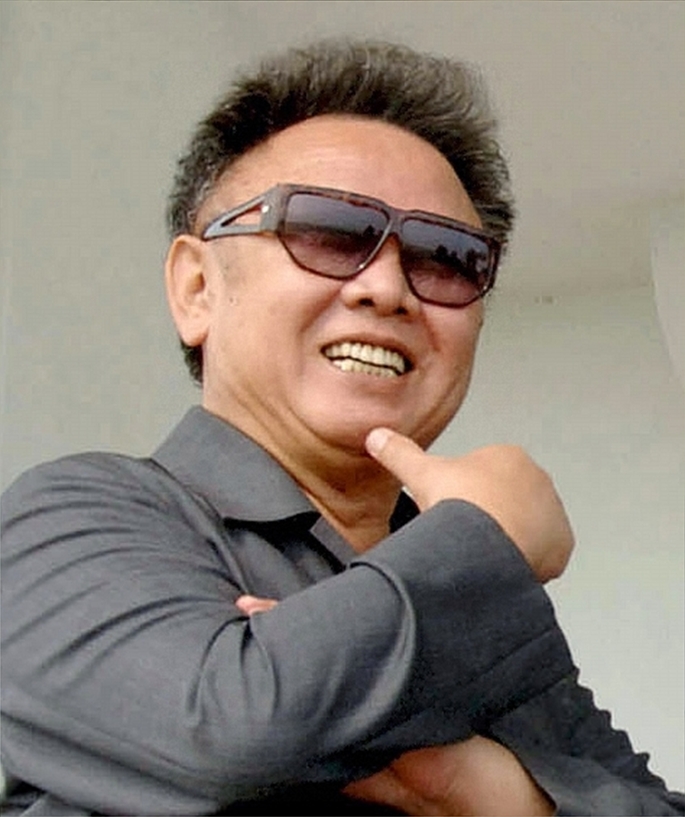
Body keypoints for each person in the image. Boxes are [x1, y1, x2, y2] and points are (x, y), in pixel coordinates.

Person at [1, 39, 683, 817]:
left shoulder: (479, 587)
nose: (387, 287)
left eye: (445, 256)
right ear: (196, 289)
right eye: (327, 230)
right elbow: (219, 730)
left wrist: (494, 792)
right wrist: (486, 536)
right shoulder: (73, 519)